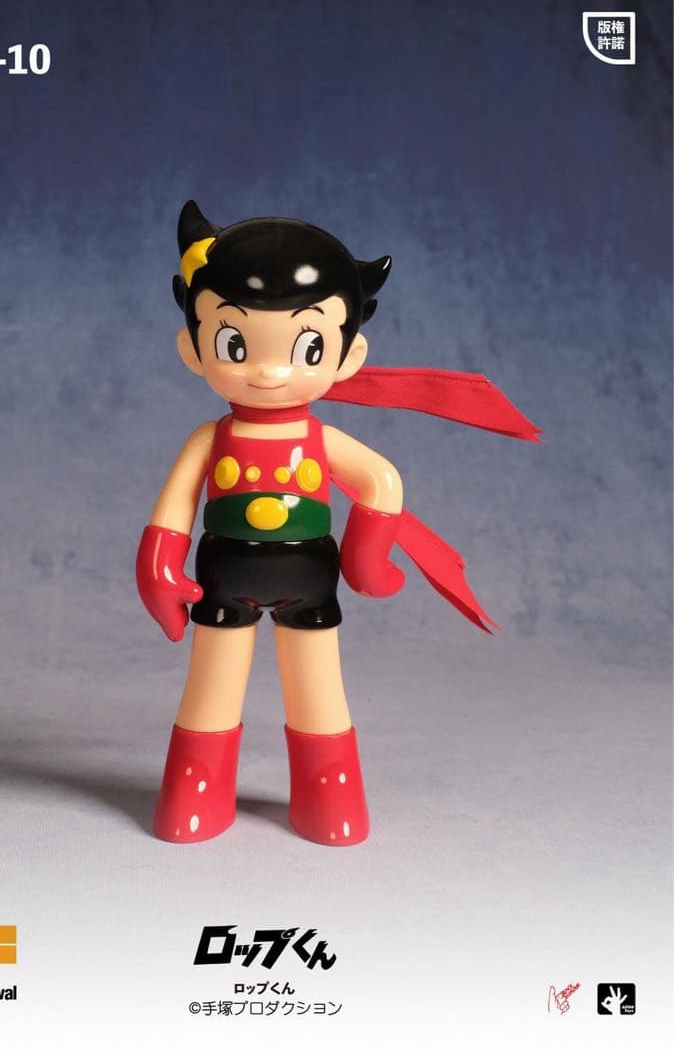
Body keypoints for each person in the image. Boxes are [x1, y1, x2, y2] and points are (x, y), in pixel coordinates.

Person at [136, 200, 539, 846]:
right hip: (224, 575)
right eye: (235, 344)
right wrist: (158, 567)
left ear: (350, 355)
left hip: (309, 579)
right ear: (192, 347)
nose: (269, 370)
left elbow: (380, 480)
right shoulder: (209, 439)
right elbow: (175, 505)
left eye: (306, 347)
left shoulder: (318, 440)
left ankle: (329, 799)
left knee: (319, 690)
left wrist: (365, 561)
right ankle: (196, 794)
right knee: (211, 688)